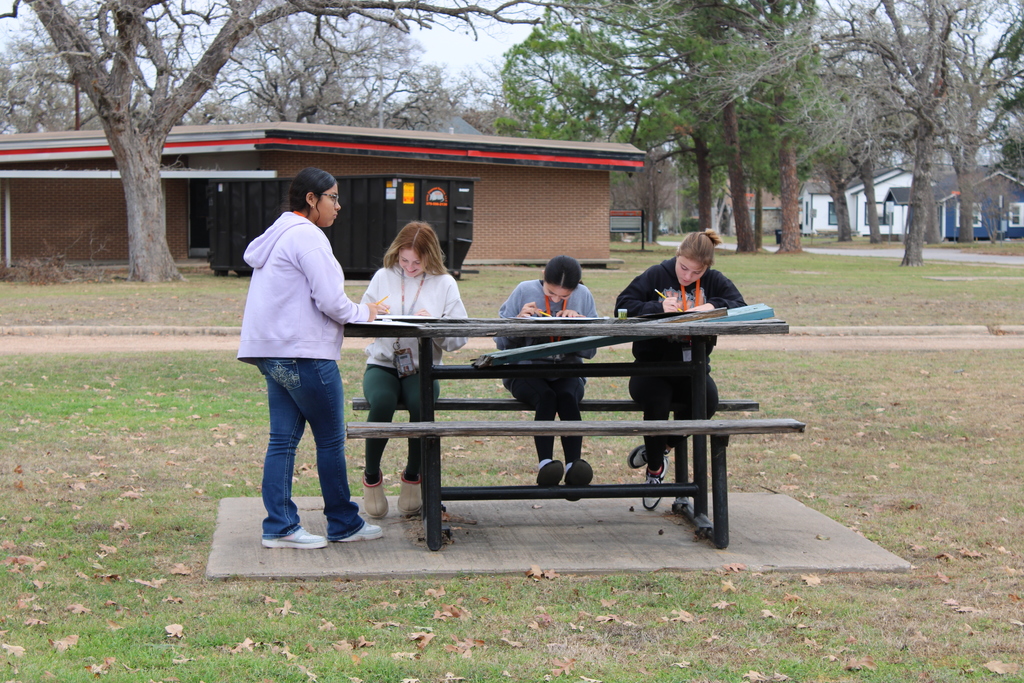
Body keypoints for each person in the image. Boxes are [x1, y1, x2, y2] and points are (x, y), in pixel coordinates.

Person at [238, 167, 389, 549]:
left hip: (272, 353)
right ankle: (342, 523)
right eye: (333, 197)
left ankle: (280, 526)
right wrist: (368, 312)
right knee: (330, 440)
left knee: (282, 441)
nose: (339, 206)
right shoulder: (308, 236)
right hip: (303, 354)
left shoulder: (278, 234)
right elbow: (331, 301)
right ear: (311, 199)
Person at [613, 229, 746, 510]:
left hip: (693, 369)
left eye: (696, 273)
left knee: (707, 402)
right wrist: (658, 305)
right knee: (658, 402)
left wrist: (714, 306)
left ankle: (661, 449)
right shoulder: (656, 275)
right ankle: (655, 473)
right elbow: (622, 306)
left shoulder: (715, 281)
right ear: (677, 256)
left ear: (707, 269)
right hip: (651, 368)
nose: (687, 277)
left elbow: (741, 306)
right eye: (683, 268)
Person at [359, 222, 468, 518]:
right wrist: (371, 314)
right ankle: (371, 477)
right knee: (381, 403)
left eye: (417, 262)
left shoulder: (444, 283)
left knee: (422, 406)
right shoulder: (383, 276)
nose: (409, 267)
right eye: (403, 260)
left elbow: (459, 338)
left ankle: (412, 477)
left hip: (423, 366)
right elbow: (358, 318)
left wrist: (433, 325)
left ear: (430, 257)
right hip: (382, 363)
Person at [495, 255, 599, 490]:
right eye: (551, 293)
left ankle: (574, 466)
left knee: (566, 396)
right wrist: (518, 322)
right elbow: (500, 343)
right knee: (547, 397)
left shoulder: (584, 296)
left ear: (577, 287)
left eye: (564, 297)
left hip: (568, 370)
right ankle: (546, 465)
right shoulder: (523, 290)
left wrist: (580, 329)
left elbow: (591, 351)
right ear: (543, 277)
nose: (555, 300)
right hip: (525, 371)